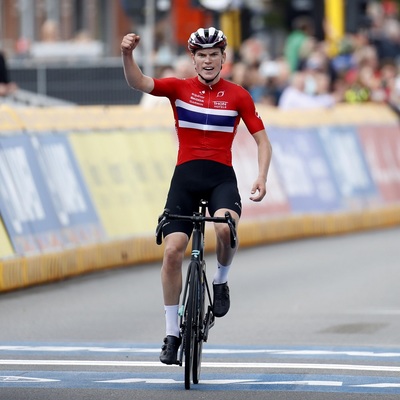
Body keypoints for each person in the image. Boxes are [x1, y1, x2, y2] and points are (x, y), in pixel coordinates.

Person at [121, 27, 272, 365]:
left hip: (221, 179)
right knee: (173, 251)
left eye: (213, 55)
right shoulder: (178, 87)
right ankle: (172, 333)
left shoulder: (238, 95)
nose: (207, 61)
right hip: (186, 179)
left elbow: (263, 141)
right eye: (201, 55)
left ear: (223, 58)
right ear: (193, 59)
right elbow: (139, 83)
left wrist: (261, 176)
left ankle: (220, 282)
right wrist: (127, 55)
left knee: (223, 228)